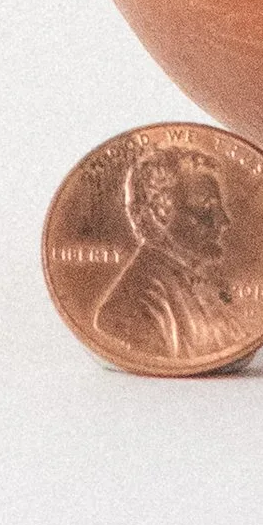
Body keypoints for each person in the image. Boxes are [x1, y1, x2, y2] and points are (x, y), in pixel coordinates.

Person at [94, 139, 242, 367]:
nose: (224, 221)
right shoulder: (131, 307)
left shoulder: (201, 285)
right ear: (160, 211)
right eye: (206, 208)